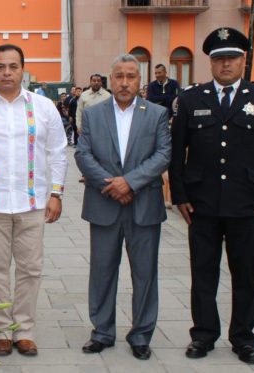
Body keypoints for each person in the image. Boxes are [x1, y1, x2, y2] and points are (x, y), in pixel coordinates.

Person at [169, 27, 254, 365]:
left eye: (232, 58)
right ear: (211, 63)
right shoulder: (192, 100)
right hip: (202, 204)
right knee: (203, 273)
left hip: (247, 204)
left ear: (242, 61)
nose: (226, 64)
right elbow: (177, 154)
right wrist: (179, 195)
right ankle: (203, 334)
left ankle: (243, 338)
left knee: (247, 275)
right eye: (219, 58)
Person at [0, 44, 68, 357]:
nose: (7, 72)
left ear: (23, 70)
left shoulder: (43, 108)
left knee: (31, 269)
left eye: (13, 66)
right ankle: (2, 330)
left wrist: (56, 193)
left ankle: (25, 331)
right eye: (1, 66)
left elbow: (58, 152)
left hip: (32, 204)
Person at [75, 54, 171, 360]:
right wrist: (113, 185)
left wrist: (129, 182)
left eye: (131, 76)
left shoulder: (156, 114)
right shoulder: (94, 114)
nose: (125, 82)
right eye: (119, 76)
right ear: (110, 80)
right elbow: (83, 154)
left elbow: (163, 154)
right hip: (105, 204)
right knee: (102, 271)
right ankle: (102, 332)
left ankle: (141, 335)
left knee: (145, 273)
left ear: (140, 81)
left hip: (144, 206)